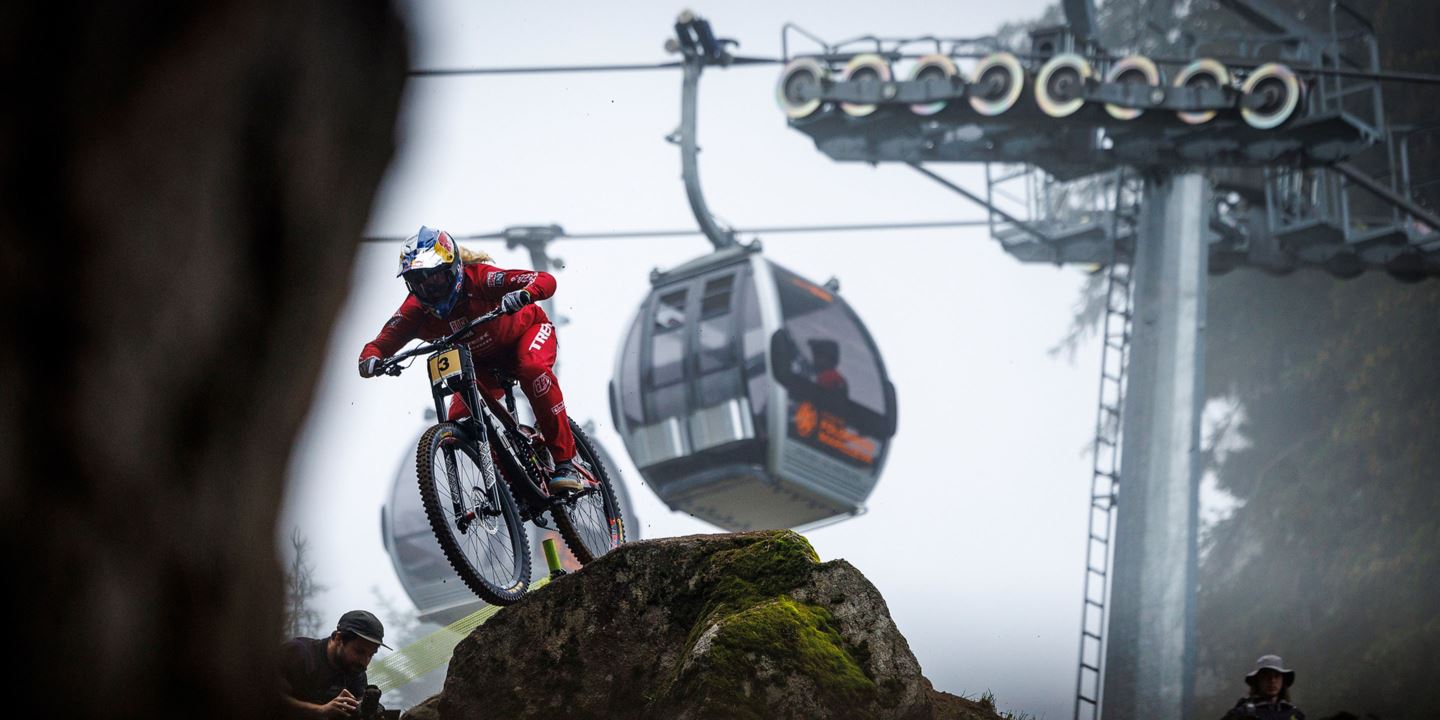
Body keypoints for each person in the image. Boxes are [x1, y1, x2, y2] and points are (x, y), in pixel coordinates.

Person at [358, 226, 582, 492]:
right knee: (460, 419)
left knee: (532, 369)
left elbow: (545, 280)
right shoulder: (414, 310)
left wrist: (525, 295)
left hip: (526, 334)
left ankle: (565, 462)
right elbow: (378, 345)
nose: (430, 290)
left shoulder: (481, 279)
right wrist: (372, 361)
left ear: (453, 269)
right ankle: (515, 490)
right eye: (420, 283)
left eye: (436, 280)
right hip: (479, 364)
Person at [280, 610, 392, 719]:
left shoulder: (356, 672)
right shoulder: (298, 654)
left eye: (371, 655)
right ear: (338, 638)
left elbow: (357, 708)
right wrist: (321, 710)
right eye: (359, 651)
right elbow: (269, 698)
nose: (364, 662)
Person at [1220, 654, 1306, 720]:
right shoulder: (1241, 714)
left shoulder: (1295, 715)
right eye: (1266, 676)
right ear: (1257, 680)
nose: (1272, 681)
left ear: (1283, 680)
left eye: (1276, 676)